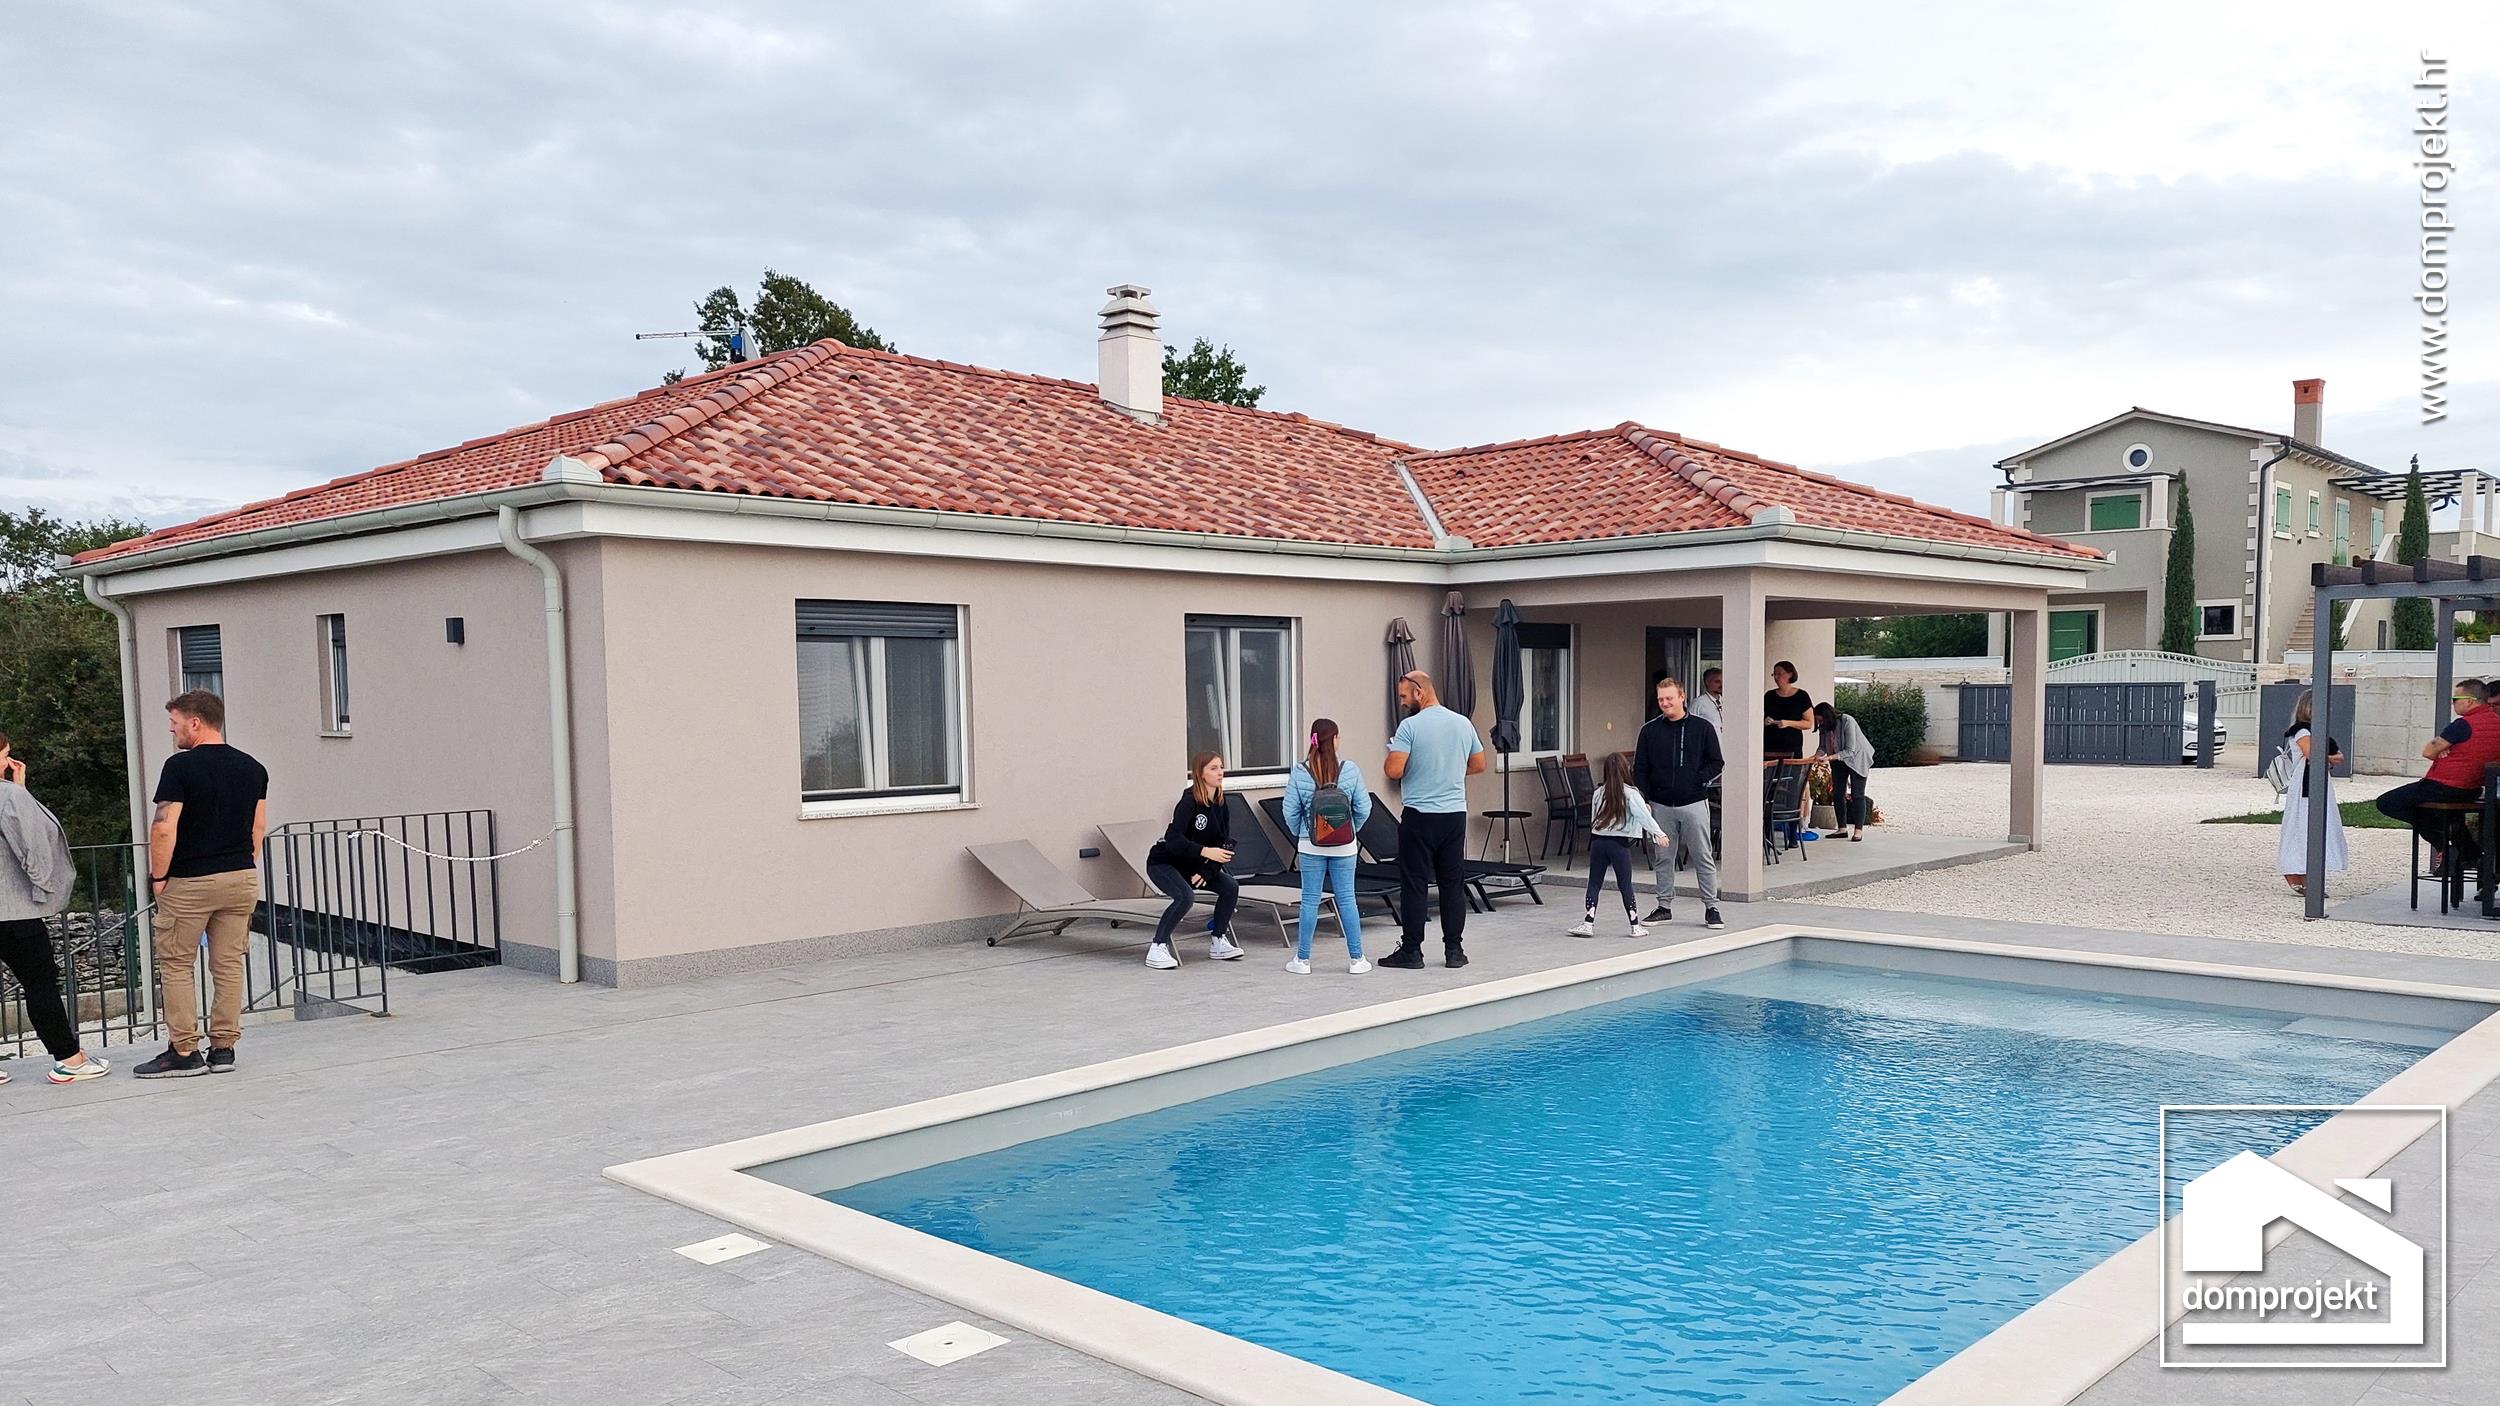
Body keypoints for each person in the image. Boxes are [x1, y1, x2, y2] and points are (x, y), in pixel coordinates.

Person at [133, 690, 269, 1079]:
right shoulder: (253, 767)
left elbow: (163, 828)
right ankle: (223, 1048)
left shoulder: (180, 767)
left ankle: (184, 1051)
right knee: (228, 964)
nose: (171, 729)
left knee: (177, 963)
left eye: (174, 722)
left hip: (190, 881)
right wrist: (241, 864)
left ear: (195, 722)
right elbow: (258, 828)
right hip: (241, 877)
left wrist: (159, 877)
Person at [0, 733, 108, 1085]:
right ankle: (69, 1059)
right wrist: (43, 886)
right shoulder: (9, 796)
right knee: (40, 983)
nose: (9, 761)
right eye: (5, 754)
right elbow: (33, 847)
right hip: (13, 909)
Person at [1381, 670, 1486, 970]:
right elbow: (1479, 764)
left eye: (1404, 696)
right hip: (1454, 815)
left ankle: (1412, 951)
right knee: (1452, 883)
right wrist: (1447, 770)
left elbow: (1393, 770)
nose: (1402, 702)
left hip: (1420, 815)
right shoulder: (1462, 723)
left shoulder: (1409, 726)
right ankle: (1454, 951)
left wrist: (1406, 761)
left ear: (1419, 692)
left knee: (1415, 883)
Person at [1631, 677, 1726, 930]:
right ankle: (1664, 907)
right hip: (1661, 805)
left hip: (1694, 803)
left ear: (1682, 697)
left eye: (1669, 698)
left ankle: (1711, 907)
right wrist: (1647, 795)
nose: (1665, 703)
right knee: (1663, 857)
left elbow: (1716, 762)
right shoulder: (1649, 731)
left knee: (1702, 855)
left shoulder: (1702, 728)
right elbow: (1640, 768)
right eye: (1661, 699)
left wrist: (1697, 780)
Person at [2373, 678, 2500, 866]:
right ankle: (2470, 854)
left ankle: (2443, 846)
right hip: (2472, 789)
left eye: (2455, 699)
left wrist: (2445, 751)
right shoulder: (2496, 723)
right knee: (2449, 816)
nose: (2453, 703)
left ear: (2470, 701)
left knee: (2387, 803)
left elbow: (2428, 752)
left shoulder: (2463, 725)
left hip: (2444, 786)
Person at [1281, 719, 1371, 975]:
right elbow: (1364, 808)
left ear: (1312, 740)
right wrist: (1349, 831)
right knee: (1347, 900)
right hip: (1345, 847)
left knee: (1310, 900)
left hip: (1310, 846)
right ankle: (1357, 960)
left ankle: (1302, 960)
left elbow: (1289, 811)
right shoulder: (1350, 769)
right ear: (1335, 739)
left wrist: (1303, 833)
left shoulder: (1300, 771)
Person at [1142, 751, 1245, 971]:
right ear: (1200, 773)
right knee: (1184, 896)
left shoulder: (1221, 803)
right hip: (1164, 863)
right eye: (1213, 768)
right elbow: (1173, 840)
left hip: (1192, 865)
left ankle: (1218, 941)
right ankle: (1157, 947)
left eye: (1221, 767)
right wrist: (1205, 851)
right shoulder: (1188, 802)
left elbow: (1224, 845)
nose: (1220, 772)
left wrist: (1207, 872)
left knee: (1230, 887)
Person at [1571, 753, 1670, 938]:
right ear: (1626, 769)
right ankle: (1634, 925)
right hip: (1619, 844)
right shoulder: (1631, 794)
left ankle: (1588, 923)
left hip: (1598, 841)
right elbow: (1643, 817)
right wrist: (1659, 834)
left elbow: (1594, 818)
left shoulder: (1598, 793)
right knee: (1625, 885)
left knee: (1594, 883)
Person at [2275, 691, 2346, 896]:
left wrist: (2328, 757)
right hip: (2305, 782)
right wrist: (2329, 757)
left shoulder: (2317, 731)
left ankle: (2309, 873)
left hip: (2319, 779)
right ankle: (2294, 870)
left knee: (2318, 824)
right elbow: (2312, 754)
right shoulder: (2301, 731)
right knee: (2301, 824)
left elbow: (2338, 756)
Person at [1813, 701, 1876, 842]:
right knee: (1837, 793)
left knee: (1857, 794)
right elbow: (1822, 746)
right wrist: (1817, 755)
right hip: (1837, 759)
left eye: (1821, 720)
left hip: (1857, 758)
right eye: (1818, 721)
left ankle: (1858, 830)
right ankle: (1842, 829)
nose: (1819, 723)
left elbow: (1850, 750)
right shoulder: (1824, 728)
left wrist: (1829, 757)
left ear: (1828, 716)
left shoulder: (1847, 721)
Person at [1763, 661, 1814, 759]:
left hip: (1792, 746)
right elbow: (1756, 717)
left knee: (1791, 769)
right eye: (1774, 674)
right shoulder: (1769, 696)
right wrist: (1764, 722)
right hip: (1769, 746)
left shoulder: (1801, 696)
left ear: (1790, 674)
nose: (1776, 677)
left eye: (1779, 674)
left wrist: (1788, 723)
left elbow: (1809, 723)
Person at [1691, 667, 1726, 737]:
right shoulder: (1698, 703)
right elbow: (1691, 726)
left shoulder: (1726, 701)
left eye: (1723, 681)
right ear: (1707, 682)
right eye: (1717, 682)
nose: (1721, 685)